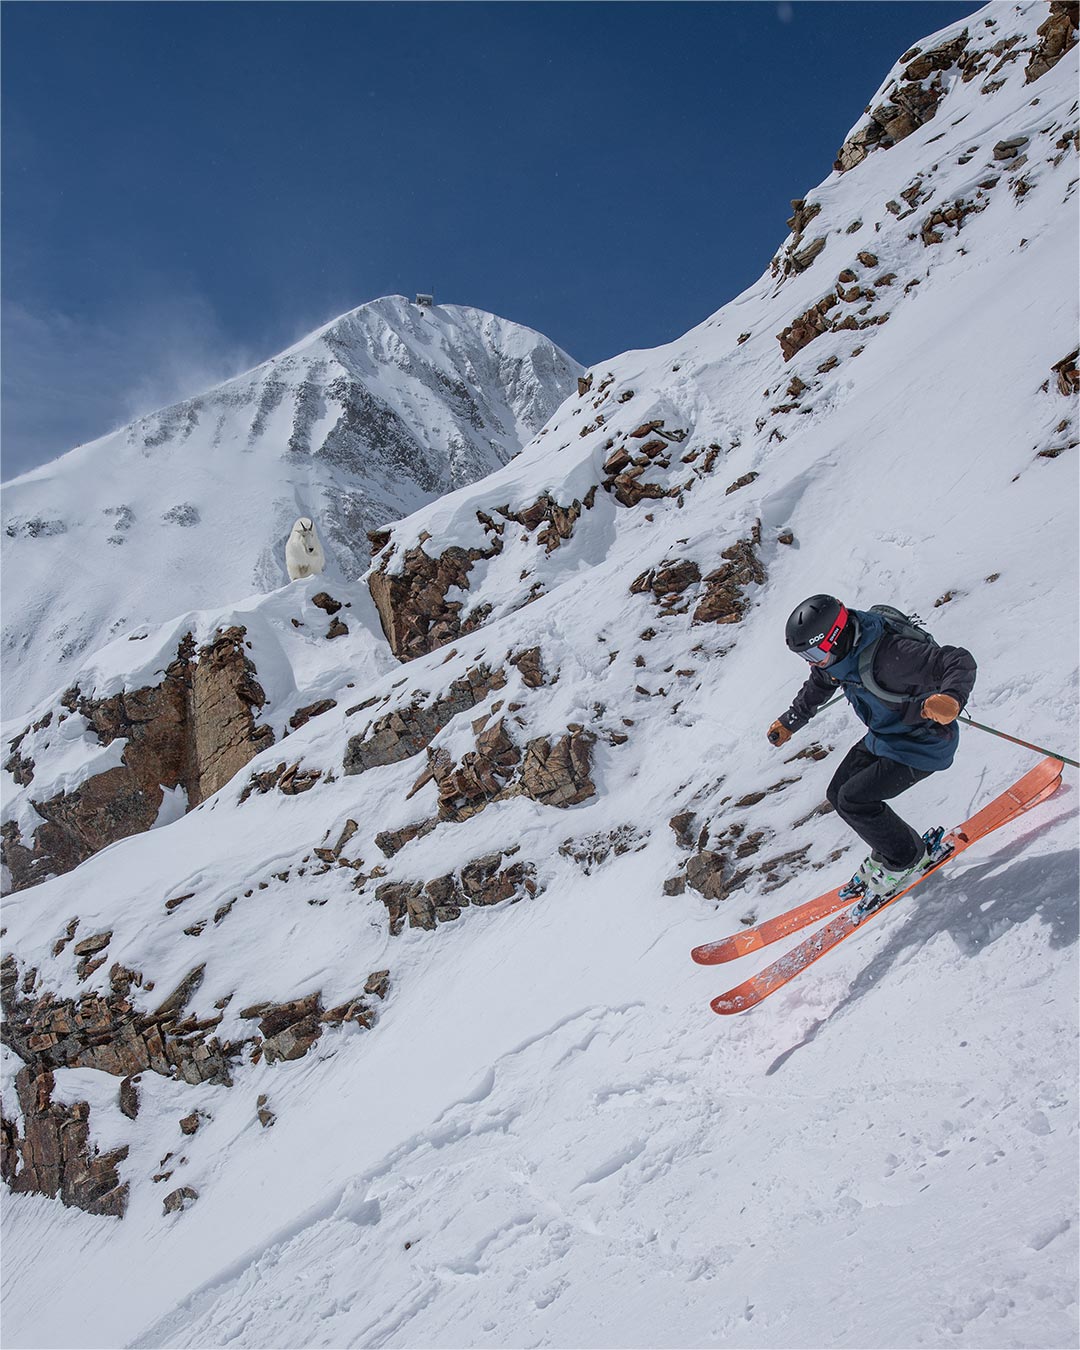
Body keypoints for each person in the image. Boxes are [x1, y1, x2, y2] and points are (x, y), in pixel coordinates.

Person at [768, 595, 977, 905]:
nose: (811, 661)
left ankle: (907, 858)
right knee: (838, 793)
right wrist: (790, 721)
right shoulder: (835, 658)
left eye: (813, 652)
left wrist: (951, 699)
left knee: (855, 800)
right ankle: (891, 849)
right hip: (885, 736)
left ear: (836, 637)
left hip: (922, 744)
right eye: (805, 656)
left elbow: (958, 661)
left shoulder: (892, 655)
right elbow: (819, 682)